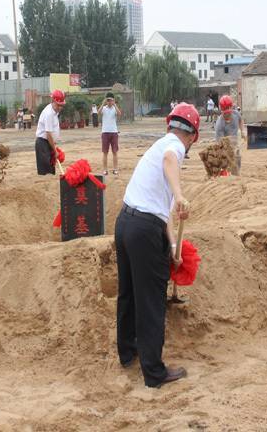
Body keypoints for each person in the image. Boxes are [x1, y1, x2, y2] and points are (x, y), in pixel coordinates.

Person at [115, 102, 199, 387]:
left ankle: (128, 352)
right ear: (191, 136)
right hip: (143, 231)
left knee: (128, 293)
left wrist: (173, 246)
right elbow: (169, 161)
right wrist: (179, 195)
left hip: (125, 223)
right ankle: (154, 372)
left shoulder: (159, 144)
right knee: (151, 301)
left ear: (170, 124)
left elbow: (161, 212)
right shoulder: (173, 148)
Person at [35, 90, 66, 175]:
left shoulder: (54, 111)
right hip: (43, 144)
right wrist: (55, 150)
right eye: (58, 105)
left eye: (61, 105)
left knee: (51, 170)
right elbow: (48, 134)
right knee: (46, 171)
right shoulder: (49, 114)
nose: (60, 107)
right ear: (53, 101)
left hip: (48, 143)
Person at [214, 95, 245, 172]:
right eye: (225, 113)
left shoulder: (236, 114)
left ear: (231, 107)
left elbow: (241, 120)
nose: (227, 114)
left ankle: (236, 174)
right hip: (225, 144)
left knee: (237, 158)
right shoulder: (219, 124)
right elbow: (220, 143)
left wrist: (242, 131)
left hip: (234, 142)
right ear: (221, 110)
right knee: (226, 162)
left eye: (228, 112)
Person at [99, 93, 122, 176]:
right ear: (106, 100)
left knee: (115, 152)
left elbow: (119, 114)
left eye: (110, 100)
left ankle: (115, 169)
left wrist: (115, 104)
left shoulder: (114, 108)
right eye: (108, 100)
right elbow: (98, 113)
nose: (109, 102)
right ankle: (105, 170)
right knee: (105, 152)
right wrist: (102, 103)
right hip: (105, 132)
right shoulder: (104, 108)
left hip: (114, 132)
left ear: (113, 100)